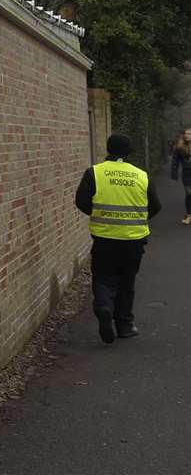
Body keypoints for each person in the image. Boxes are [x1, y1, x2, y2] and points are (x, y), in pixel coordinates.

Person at [74, 132, 160, 342]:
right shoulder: (141, 175)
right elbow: (156, 206)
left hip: (105, 238)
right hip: (133, 239)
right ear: (129, 151)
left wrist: (100, 215)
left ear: (108, 149)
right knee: (126, 281)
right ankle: (125, 325)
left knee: (103, 277)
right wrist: (137, 218)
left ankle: (104, 305)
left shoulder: (94, 173)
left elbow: (81, 201)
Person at [170, 128, 191, 226]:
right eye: (185, 133)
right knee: (189, 194)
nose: (186, 135)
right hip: (187, 174)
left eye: (189, 134)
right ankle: (189, 215)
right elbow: (175, 161)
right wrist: (174, 173)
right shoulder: (180, 147)